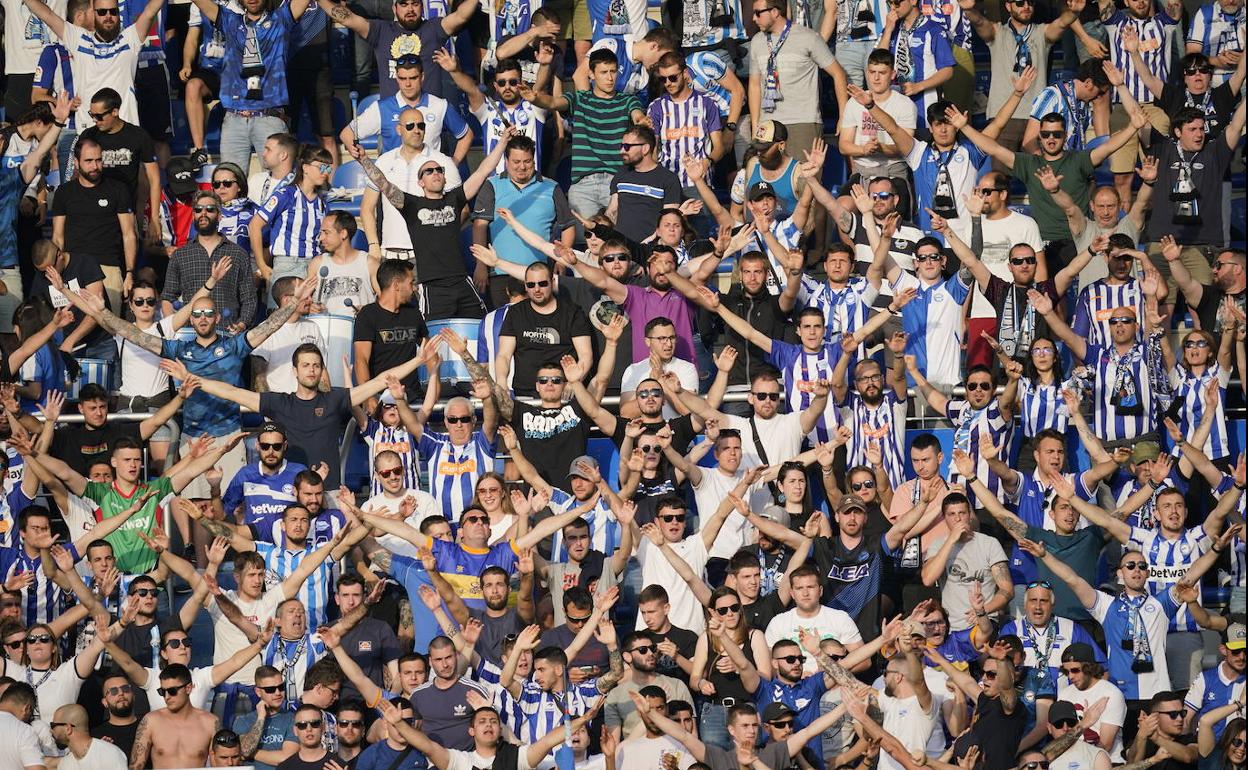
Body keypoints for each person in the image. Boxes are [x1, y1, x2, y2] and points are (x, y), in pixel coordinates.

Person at [346, 124, 510, 319]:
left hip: (461, 281)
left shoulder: (455, 198)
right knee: (435, 338)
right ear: (420, 182)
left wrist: (503, 141)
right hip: (432, 286)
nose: (435, 173)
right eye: (429, 171)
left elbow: (483, 171)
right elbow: (384, 184)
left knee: (479, 327)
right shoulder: (411, 204)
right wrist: (364, 159)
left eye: (439, 170)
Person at [185, 0, 313, 168]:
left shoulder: (281, 19)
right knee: (231, 183)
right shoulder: (229, 20)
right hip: (234, 119)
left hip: (270, 117)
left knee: (277, 182)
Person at [526, 47, 646, 219]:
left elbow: (637, 115)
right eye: (604, 72)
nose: (610, 77)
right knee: (586, 241)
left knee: (619, 242)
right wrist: (535, 98)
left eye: (613, 71)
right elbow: (553, 102)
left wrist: (641, 119)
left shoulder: (627, 100)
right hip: (583, 185)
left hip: (617, 182)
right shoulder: (580, 99)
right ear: (591, 74)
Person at [316, 0, 478, 101]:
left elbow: (461, 16)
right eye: (404, 4)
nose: (410, 9)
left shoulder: (434, 28)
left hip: (430, 118)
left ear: (422, 6)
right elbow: (347, 17)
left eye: (415, 4)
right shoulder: (381, 31)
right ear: (394, 8)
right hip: (393, 121)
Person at [748, 0, 846, 159]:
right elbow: (754, 85)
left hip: (803, 122)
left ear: (775, 12)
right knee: (767, 180)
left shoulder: (808, 37)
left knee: (804, 179)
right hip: (768, 124)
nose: (754, 18)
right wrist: (755, 124)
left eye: (758, 13)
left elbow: (838, 74)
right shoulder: (757, 41)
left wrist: (843, 116)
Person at [162, 190, 257, 328]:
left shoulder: (238, 254)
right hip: (190, 336)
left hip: (227, 335)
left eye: (210, 209)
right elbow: (168, 297)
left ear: (219, 216)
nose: (203, 213)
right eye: (198, 210)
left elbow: (249, 299)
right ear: (193, 215)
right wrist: (173, 329)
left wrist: (241, 325)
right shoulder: (180, 255)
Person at [353, 259, 429, 406]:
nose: (413, 288)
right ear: (396, 285)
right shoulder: (367, 315)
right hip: (382, 399)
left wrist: (434, 388)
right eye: (410, 283)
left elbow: (430, 352)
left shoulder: (413, 314)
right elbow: (361, 360)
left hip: (413, 397)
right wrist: (369, 397)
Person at [875, 0, 953, 134]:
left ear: (913, 1)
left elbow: (947, 71)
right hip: (895, 110)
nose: (893, 8)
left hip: (924, 108)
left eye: (897, 3)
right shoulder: (891, 29)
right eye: (890, 4)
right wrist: (888, 30)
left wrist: (918, 86)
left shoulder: (934, 29)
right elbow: (877, 62)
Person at [304, 211, 379, 316]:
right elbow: (305, 300)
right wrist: (310, 307)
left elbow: (385, 301)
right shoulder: (317, 263)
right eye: (321, 233)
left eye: (326, 232)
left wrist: (368, 311)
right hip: (325, 329)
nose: (321, 238)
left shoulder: (369, 263)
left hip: (360, 328)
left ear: (343, 233)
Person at [49, 704, 128, 769]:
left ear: (68, 728)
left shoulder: (108, 754)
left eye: (53, 725)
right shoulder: (65, 764)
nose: (50, 730)